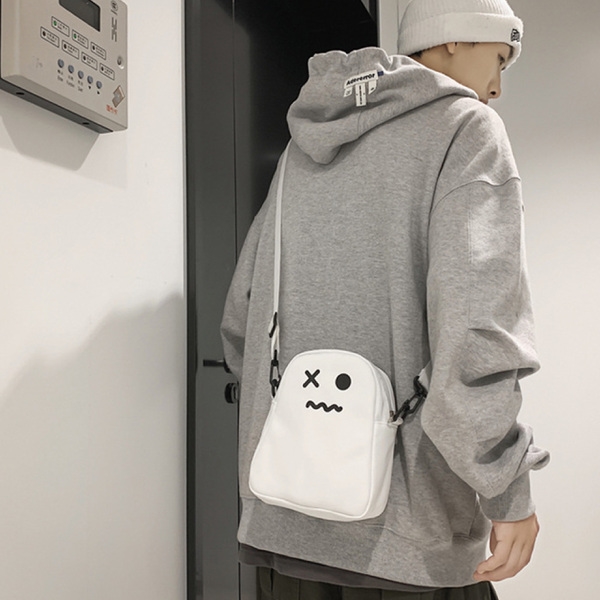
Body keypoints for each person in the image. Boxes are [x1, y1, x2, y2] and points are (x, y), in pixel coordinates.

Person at [221, 0, 550, 597]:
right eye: (499, 59)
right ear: (452, 40)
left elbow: (243, 320)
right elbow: (475, 333)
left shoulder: (300, 149)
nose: (498, 86)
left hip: (284, 525)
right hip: (409, 537)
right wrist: (507, 487)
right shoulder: (467, 129)